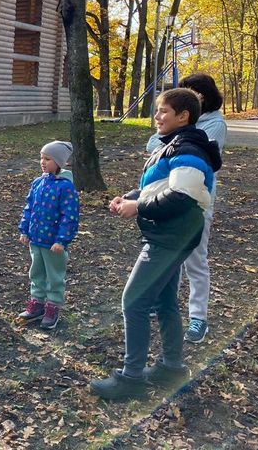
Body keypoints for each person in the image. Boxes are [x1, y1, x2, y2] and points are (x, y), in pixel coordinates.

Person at [91, 88, 222, 401]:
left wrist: (137, 208)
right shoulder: (175, 145)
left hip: (171, 236)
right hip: (169, 233)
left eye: (163, 111)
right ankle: (171, 369)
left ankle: (132, 378)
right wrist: (133, 197)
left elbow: (182, 196)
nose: (157, 116)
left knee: (134, 301)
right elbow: (160, 187)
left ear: (183, 116)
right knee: (163, 301)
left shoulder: (188, 148)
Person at [146, 73, 227, 344]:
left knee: (195, 259)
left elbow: (194, 149)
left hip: (196, 201)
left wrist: (170, 141)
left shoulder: (215, 124)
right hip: (166, 197)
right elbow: (152, 144)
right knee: (169, 257)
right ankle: (165, 305)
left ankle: (198, 318)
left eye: (191, 95)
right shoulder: (172, 125)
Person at [17, 141, 80, 330]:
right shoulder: (38, 182)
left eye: (48, 158)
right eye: (41, 158)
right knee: (36, 271)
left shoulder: (66, 187)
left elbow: (69, 216)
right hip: (36, 239)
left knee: (54, 274)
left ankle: (53, 305)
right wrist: (24, 229)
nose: (42, 162)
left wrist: (62, 240)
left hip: (53, 243)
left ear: (59, 162)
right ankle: (37, 302)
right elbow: (30, 207)